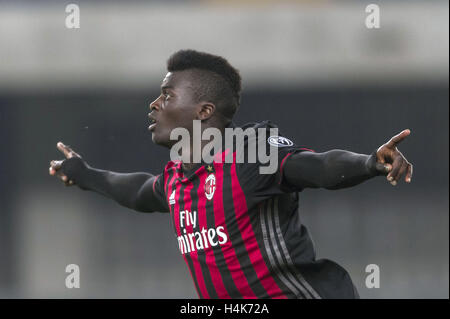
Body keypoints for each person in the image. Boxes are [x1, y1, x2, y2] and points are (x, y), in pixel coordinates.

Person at [49, 49, 413, 299]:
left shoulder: (249, 153)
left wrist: (369, 163)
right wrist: (86, 174)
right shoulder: (179, 178)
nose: (154, 104)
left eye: (167, 95)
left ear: (204, 110)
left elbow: (316, 166)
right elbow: (141, 191)